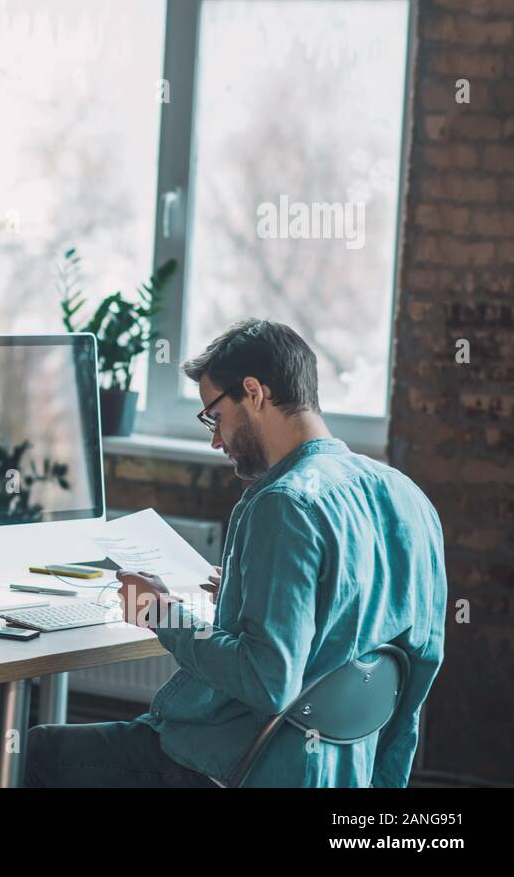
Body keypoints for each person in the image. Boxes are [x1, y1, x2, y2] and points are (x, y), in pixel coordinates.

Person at [25, 319, 445, 787]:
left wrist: (162, 612)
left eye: (214, 416)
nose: (215, 439)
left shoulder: (284, 503)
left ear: (253, 392)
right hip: (347, 768)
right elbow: (416, 657)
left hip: (247, 764)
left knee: (36, 750)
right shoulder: (406, 495)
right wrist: (251, 594)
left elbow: (268, 682)